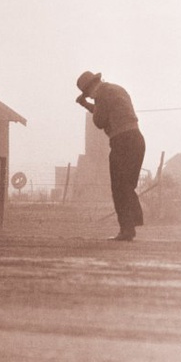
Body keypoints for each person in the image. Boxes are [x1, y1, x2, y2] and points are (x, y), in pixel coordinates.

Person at [76, 70, 145, 241]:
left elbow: (99, 121)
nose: (90, 97)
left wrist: (87, 104)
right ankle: (133, 221)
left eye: (88, 94)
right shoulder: (117, 89)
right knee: (127, 185)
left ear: (90, 88)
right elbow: (105, 112)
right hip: (137, 139)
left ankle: (127, 229)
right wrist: (87, 105)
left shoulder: (101, 95)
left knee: (119, 187)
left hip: (121, 141)